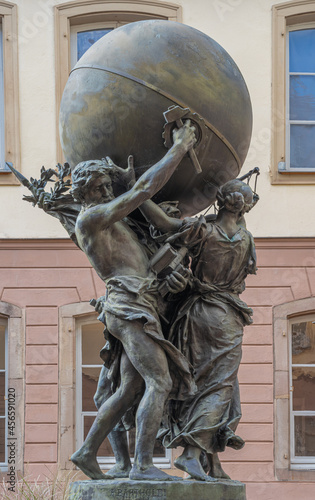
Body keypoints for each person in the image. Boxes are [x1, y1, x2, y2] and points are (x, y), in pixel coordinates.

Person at [69, 122, 197, 481]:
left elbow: (162, 219)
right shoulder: (92, 219)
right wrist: (179, 149)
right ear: (87, 190)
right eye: (102, 186)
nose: (108, 190)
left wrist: (130, 187)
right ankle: (142, 466)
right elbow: (142, 190)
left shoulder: (109, 215)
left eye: (110, 184)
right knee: (160, 382)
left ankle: (86, 452)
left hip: (137, 304)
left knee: (131, 388)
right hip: (128, 306)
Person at [137, 179, 257, 481]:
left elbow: (164, 223)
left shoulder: (203, 229)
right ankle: (191, 454)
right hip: (225, 317)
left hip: (196, 314)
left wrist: (136, 192)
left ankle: (211, 462)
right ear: (246, 205)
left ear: (219, 201)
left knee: (204, 385)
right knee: (219, 387)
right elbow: (239, 283)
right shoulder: (246, 238)